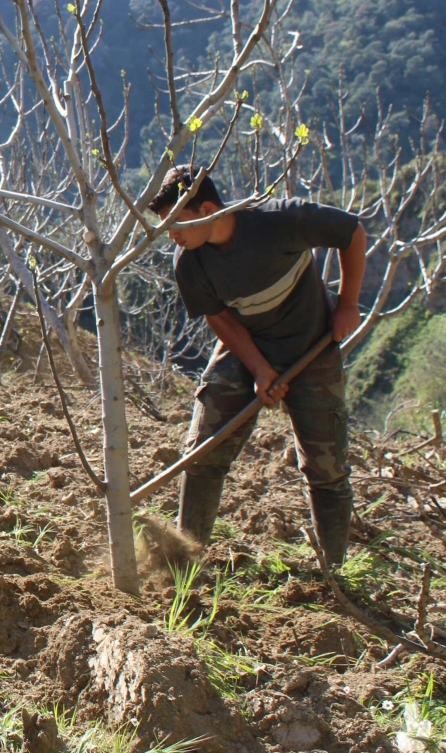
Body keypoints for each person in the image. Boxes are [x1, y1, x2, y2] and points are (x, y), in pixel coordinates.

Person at [149, 165, 367, 565]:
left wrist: (348, 304)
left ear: (208, 209)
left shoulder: (280, 222)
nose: (171, 235)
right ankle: (186, 561)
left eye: (177, 222)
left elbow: (351, 232)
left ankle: (333, 573)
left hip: (311, 348)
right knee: (202, 454)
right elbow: (220, 319)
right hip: (246, 346)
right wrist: (260, 369)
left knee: (327, 471)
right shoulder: (189, 264)